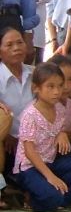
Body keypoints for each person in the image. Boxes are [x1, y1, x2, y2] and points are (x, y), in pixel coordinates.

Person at [12, 63, 71, 212]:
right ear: (36, 88)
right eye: (50, 86)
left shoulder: (59, 109)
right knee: (52, 198)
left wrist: (66, 127)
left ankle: (58, 198)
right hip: (29, 168)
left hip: (50, 162)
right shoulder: (30, 115)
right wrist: (51, 177)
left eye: (59, 86)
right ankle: (34, 199)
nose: (57, 91)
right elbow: (29, 152)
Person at [0, 26, 34, 181]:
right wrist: (5, 134)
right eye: (9, 45)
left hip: (34, 144)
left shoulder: (36, 74)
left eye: (20, 43)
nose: (16, 48)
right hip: (7, 145)